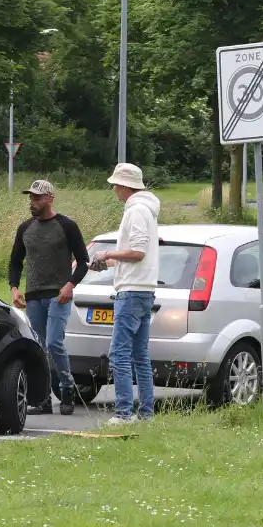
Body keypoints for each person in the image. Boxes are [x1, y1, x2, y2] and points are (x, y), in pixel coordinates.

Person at [8, 179, 91, 415]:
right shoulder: (25, 228)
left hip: (59, 295)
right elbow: (15, 261)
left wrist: (70, 285)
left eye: (37, 198)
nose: (32, 202)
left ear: (50, 199)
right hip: (34, 296)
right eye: (30, 198)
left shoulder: (66, 226)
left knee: (54, 342)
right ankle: (43, 399)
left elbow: (83, 261)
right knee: (40, 347)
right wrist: (14, 288)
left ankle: (67, 390)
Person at [89, 163, 160, 425]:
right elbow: (135, 256)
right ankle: (146, 414)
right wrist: (104, 263)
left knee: (119, 353)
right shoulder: (147, 210)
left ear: (126, 186)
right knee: (140, 354)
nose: (114, 189)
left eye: (116, 185)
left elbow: (138, 252)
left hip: (130, 293)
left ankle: (123, 413)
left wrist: (107, 253)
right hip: (143, 290)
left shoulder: (136, 211)